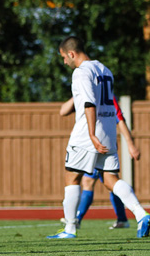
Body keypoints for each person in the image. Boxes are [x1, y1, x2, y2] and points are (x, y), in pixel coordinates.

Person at [48, 36, 150, 239]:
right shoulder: (105, 70)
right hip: (108, 131)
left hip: (88, 134)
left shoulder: (81, 72)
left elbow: (89, 104)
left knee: (72, 177)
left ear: (71, 53)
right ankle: (141, 214)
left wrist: (90, 134)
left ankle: (69, 229)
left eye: (63, 57)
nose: (64, 62)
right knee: (110, 179)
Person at [59, 96, 140, 229]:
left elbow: (120, 120)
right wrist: (77, 94)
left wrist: (131, 145)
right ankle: (124, 218)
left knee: (101, 182)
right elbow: (63, 111)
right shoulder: (85, 93)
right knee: (106, 183)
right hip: (90, 145)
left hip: (97, 146)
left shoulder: (105, 95)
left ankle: (75, 220)